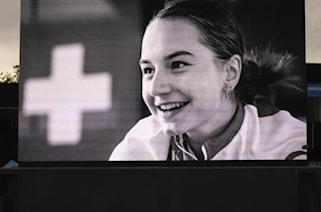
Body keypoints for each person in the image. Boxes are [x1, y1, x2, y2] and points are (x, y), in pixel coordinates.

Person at [109, 0, 307, 161]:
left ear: (230, 72)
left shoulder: (290, 148)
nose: (155, 88)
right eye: (149, 70)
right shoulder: (138, 149)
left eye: (177, 64)